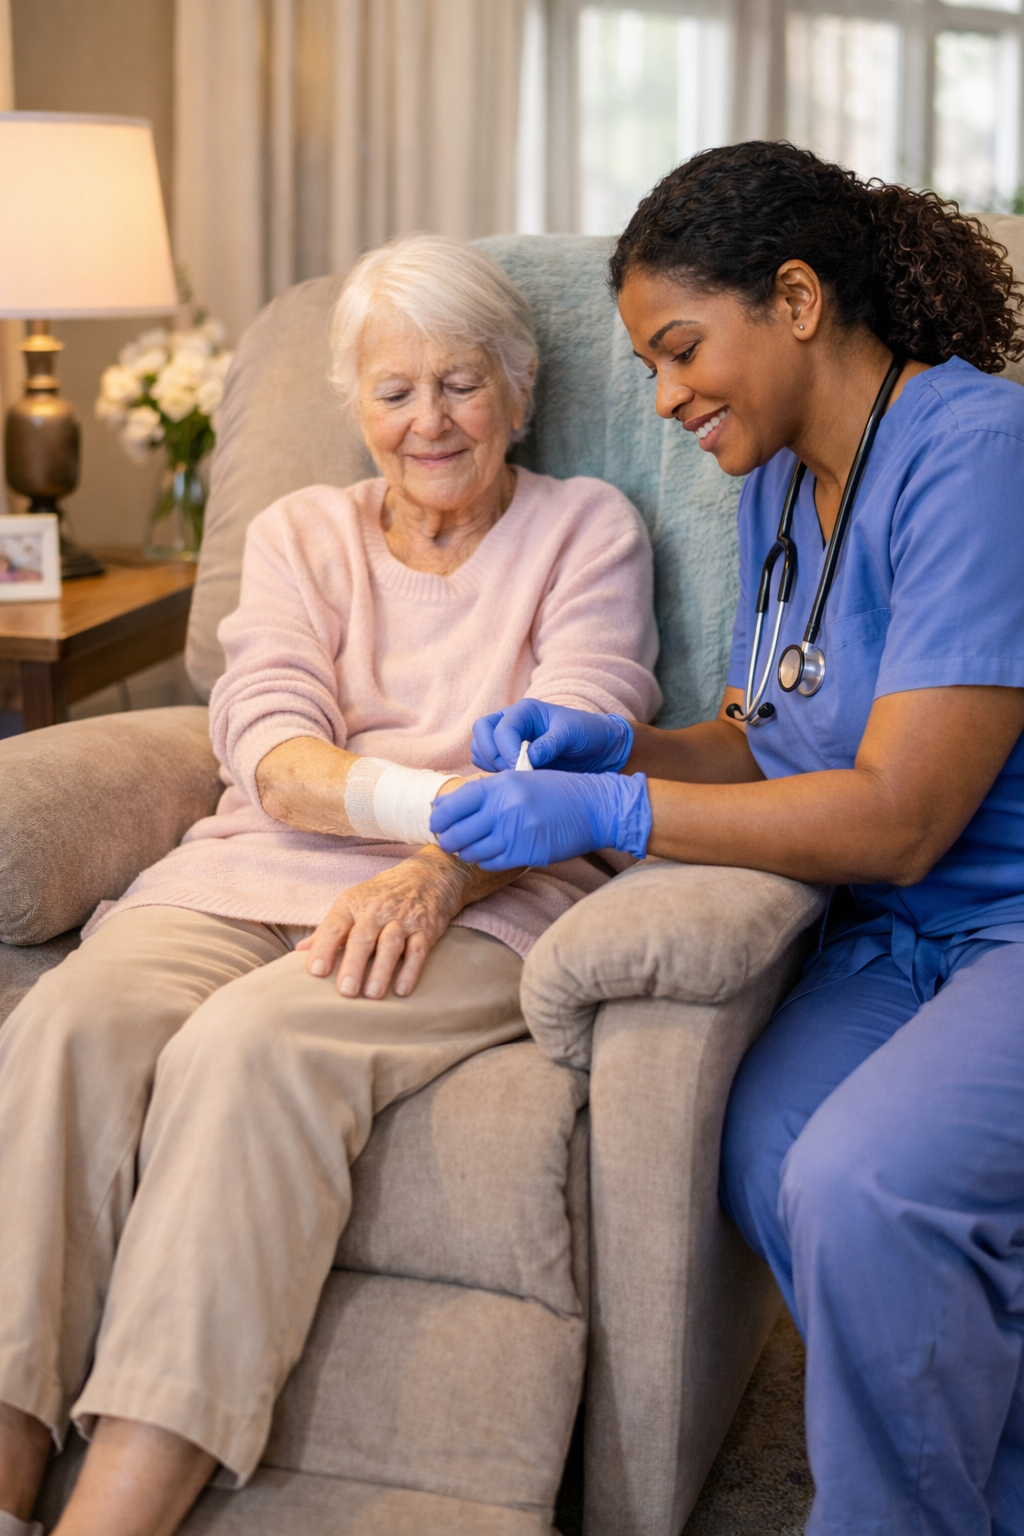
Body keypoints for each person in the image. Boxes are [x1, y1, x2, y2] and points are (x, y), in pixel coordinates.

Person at [0, 233, 660, 1536]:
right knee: (66, 1023)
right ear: (354, 401)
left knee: (249, 1054)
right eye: (395, 389)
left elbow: (568, 748)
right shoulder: (305, 532)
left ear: (520, 391)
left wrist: (430, 870)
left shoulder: (586, 529)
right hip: (255, 861)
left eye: (462, 383)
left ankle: (119, 1505)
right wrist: (381, 802)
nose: (430, 420)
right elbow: (270, 742)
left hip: (480, 892)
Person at [434, 143, 1024, 1536]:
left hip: (998, 914)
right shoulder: (776, 484)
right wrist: (618, 745)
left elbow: (900, 811)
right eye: (646, 365)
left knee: (860, 1181)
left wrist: (611, 813)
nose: (665, 397)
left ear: (800, 299)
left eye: (682, 350)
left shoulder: (979, 454)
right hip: (897, 933)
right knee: (764, 1146)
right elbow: (764, 736)